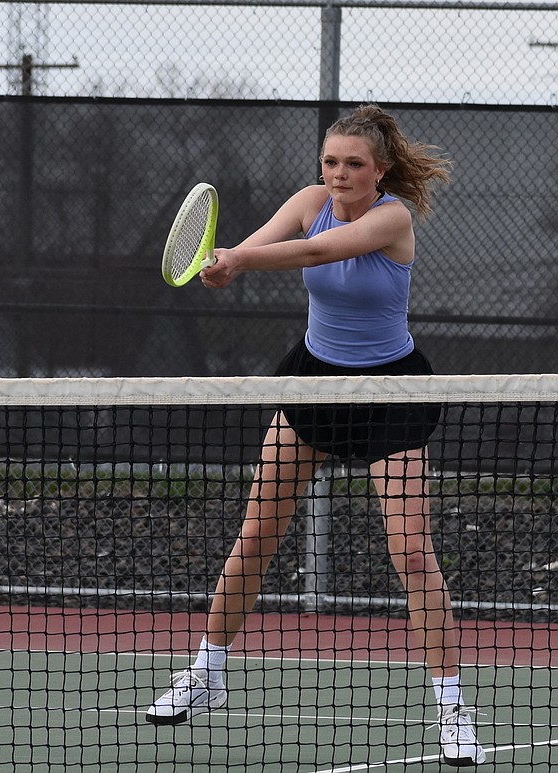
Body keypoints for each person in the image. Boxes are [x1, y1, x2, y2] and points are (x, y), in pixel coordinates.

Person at [145, 104, 485, 767]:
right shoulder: (308, 200)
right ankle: (206, 671)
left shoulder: (393, 217)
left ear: (379, 169)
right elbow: (273, 237)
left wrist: (241, 258)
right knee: (257, 535)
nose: (339, 174)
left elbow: (314, 251)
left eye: (354, 163)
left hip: (390, 392)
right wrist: (226, 262)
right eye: (331, 162)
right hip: (313, 383)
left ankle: (452, 705)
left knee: (412, 550)